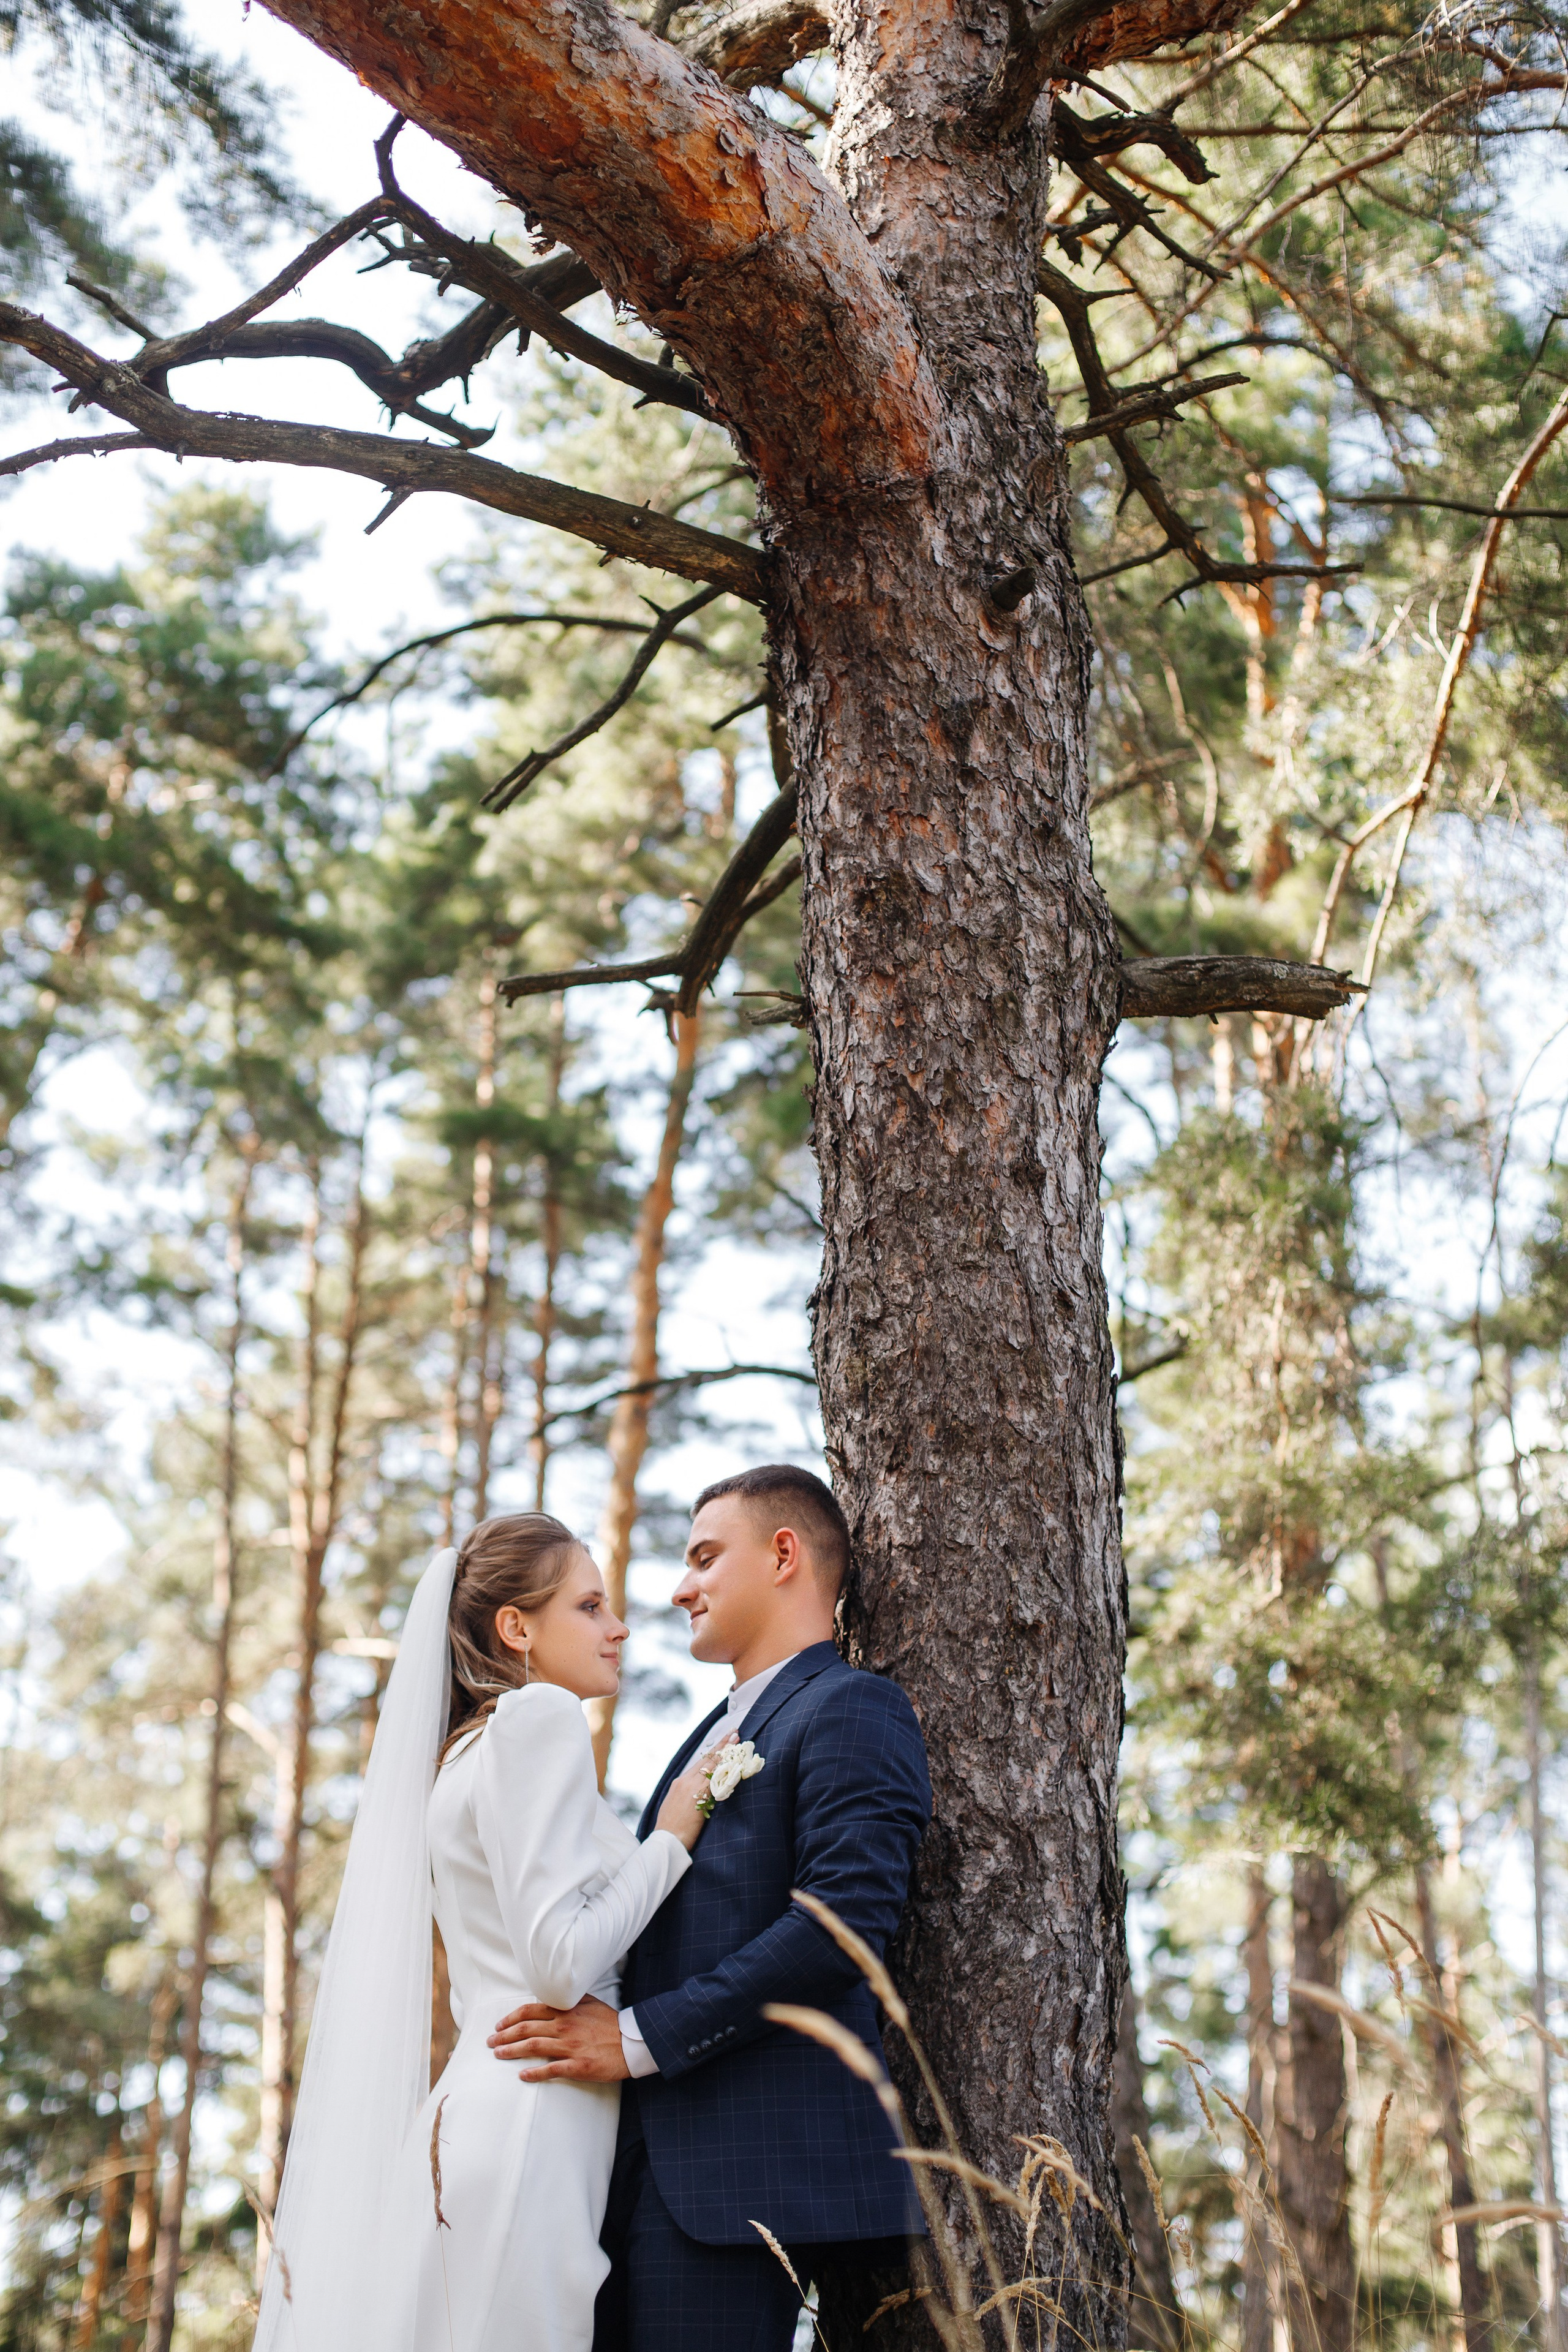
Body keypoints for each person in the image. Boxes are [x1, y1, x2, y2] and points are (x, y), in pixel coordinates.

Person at [251, 1513, 727, 2352]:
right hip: (530, 2122)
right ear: (517, 1628)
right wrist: (672, 1839)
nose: (617, 1627)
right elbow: (559, 1962)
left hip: (485, 2109)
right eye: (588, 1606)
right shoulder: (538, 1718)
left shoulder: (464, 1757)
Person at [488, 1464, 933, 2352]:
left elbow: (840, 1927)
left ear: (782, 1555)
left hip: (745, 2177)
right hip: (631, 2172)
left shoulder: (854, 1708)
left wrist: (637, 2036)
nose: (678, 1586)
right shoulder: (708, 1739)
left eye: (702, 1557)